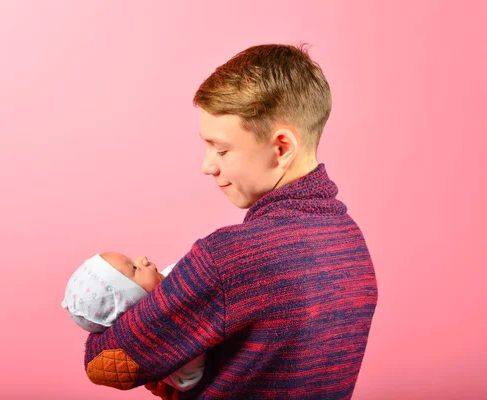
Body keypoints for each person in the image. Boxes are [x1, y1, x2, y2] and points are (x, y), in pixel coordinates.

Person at [83, 43, 379, 399]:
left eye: (221, 149)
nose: (208, 165)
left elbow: (104, 361)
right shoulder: (351, 243)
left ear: (282, 148)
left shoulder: (229, 257)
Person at [61, 252, 206, 392]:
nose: (142, 259)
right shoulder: (159, 338)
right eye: (134, 268)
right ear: (135, 303)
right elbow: (187, 380)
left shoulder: (168, 279)